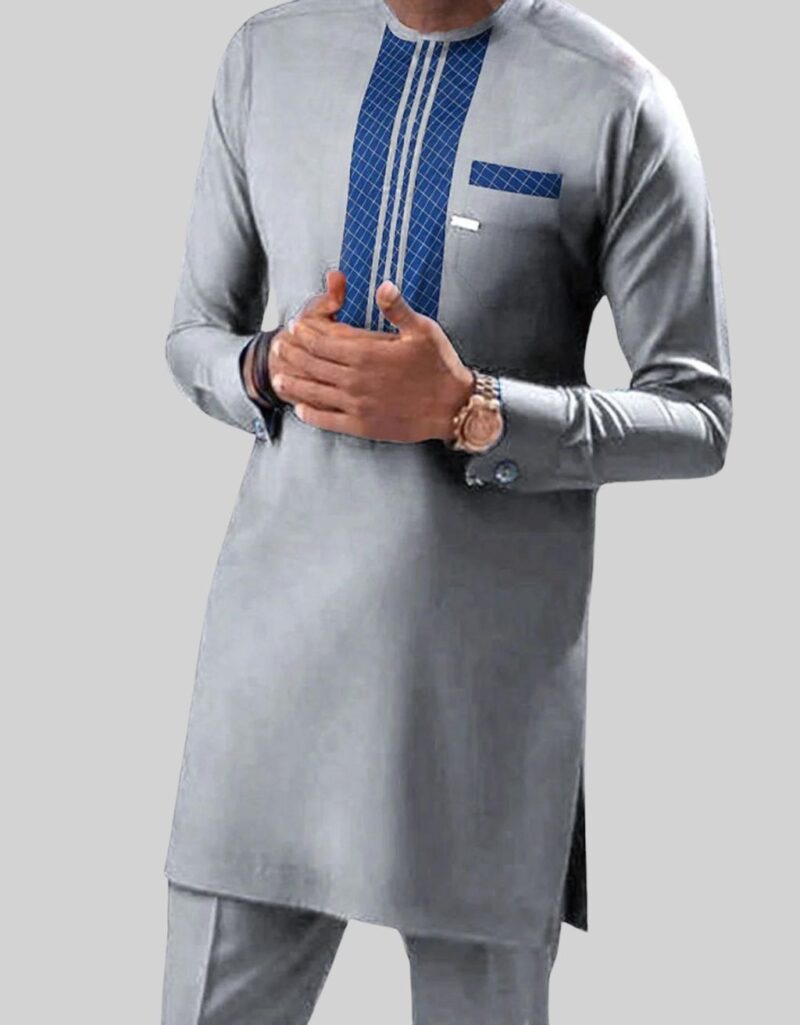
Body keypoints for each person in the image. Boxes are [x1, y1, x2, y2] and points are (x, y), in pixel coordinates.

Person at [159, 0, 732, 1021]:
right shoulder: (266, 59)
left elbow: (698, 417)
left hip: (480, 702)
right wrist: (264, 365)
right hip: (266, 682)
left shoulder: (616, 99)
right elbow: (194, 332)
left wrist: (476, 410)